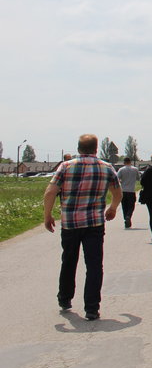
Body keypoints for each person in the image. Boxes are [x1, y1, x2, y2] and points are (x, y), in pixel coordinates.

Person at [42, 134, 123, 321]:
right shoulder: (106, 167)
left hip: (70, 224)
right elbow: (117, 192)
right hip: (94, 223)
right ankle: (92, 308)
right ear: (96, 149)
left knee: (69, 261)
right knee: (94, 265)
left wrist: (48, 215)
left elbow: (50, 192)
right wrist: (112, 208)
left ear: (79, 149)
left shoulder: (66, 166)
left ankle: (65, 299)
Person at [116, 156, 140, 228]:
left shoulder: (121, 169)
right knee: (131, 206)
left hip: (123, 191)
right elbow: (138, 178)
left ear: (124, 162)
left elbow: (117, 179)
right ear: (130, 162)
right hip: (131, 191)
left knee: (124, 206)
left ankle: (126, 218)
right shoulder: (135, 169)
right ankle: (128, 216)